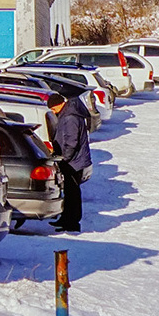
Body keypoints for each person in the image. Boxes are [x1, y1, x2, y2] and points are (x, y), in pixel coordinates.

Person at [48, 91, 92, 232]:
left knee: (72, 193)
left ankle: (71, 223)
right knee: (70, 192)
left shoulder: (69, 117)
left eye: (53, 108)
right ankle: (66, 219)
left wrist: (64, 158)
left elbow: (71, 142)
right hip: (75, 160)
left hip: (73, 162)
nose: (53, 111)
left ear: (59, 104)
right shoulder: (69, 113)